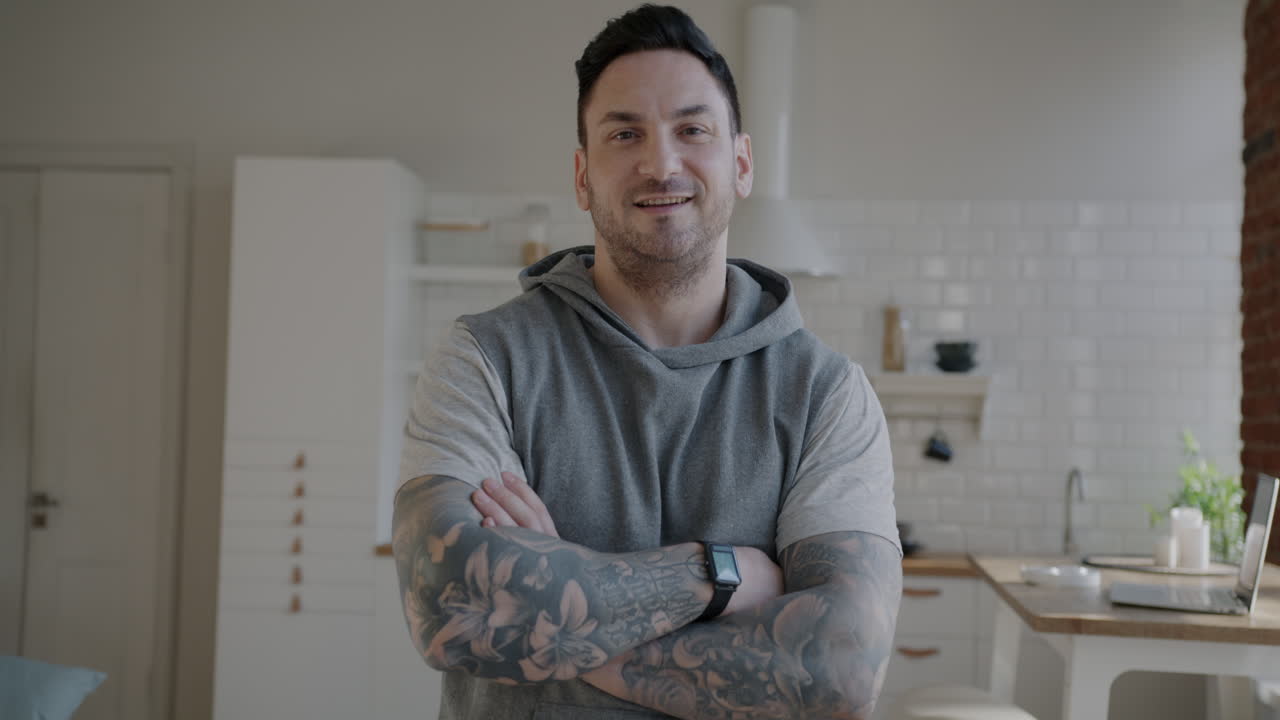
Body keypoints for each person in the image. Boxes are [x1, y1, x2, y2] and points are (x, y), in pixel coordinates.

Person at [391, 5, 902, 718]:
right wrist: (719, 576)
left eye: (693, 130)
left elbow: (841, 672)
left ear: (742, 162)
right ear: (582, 175)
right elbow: (447, 604)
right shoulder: (484, 358)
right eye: (624, 133)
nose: (661, 163)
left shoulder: (826, 393)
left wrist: (557, 608)